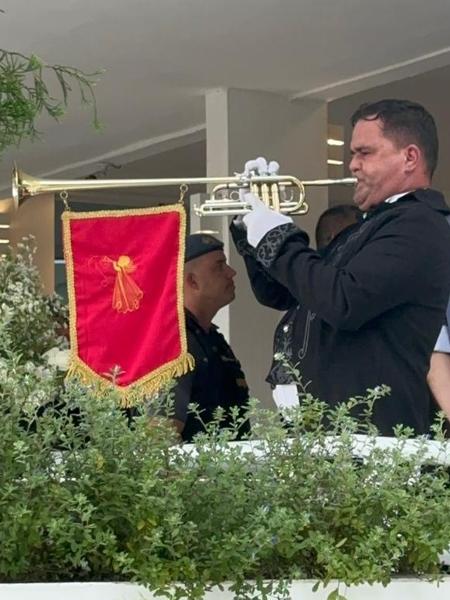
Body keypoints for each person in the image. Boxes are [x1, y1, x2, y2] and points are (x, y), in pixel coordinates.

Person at [231, 99, 450, 436]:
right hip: (329, 431)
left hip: (370, 434)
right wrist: (251, 226)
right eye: (352, 154)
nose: (352, 165)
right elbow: (280, 293)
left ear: (409, 157)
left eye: (365, 153)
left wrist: (278, 235)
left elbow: (344, 301)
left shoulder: (420, 223)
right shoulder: (369, 226)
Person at [150, 233, 251, 442]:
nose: (231, 273)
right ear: (192, 281)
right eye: (219, 266)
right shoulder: (173, 342)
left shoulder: (212, 339)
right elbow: (159, 435)